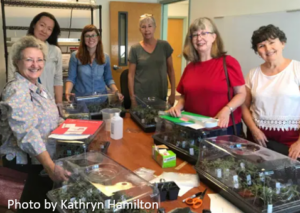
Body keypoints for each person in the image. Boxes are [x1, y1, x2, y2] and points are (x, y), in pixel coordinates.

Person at [0, 36, 69, 181]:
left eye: (39, 60)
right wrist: (50, 167)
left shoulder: (38, 87)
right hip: (25, 166)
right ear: (17, 62)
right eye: (29, 60)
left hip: (42, 160)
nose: (35, 65)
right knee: (33, 203)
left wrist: (71, 126)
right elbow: (27, 133)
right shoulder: (17, 89)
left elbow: (52, 117)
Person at [168, 17, 246, 135]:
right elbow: (185, 96)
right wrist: (178, 107)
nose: (199, 38)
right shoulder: (189, 68)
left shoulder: (228, 62)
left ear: (214, 37)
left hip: (222, 129)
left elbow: (241, 93)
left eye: (204, 33)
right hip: (193, 127)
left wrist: (227, 109)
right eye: (195, 35)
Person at [241, 24, 300, 160]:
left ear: (282, 43)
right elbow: (244, 106)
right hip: (258, 138)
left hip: (292, 140)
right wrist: (254, 130)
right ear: (257, 51)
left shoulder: (297, 70)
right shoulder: (252, 74)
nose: (268, 49)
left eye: (272, 42)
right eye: (261, 46)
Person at [7, 12, 63, 105]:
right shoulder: (18, 47)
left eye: (49, 29)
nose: (44, 31)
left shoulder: (55, 51)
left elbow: (58, 80)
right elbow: (11, 78)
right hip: (24, 102)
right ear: (34, 25)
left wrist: (59, 103)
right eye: (42, 25)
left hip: (48, 102)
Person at [128, 14, 176, 106]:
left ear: (154, 27)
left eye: (150, 26)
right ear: (140, 29)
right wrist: (132, 98)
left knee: (159, 119)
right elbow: (131, 75)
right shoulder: (135, 49)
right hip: (140, 96)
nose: (147, 30)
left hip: (160, 95)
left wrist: (173, 93)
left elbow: (171, 71)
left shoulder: (164, 46)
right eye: (143, 27)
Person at [65, 24, 123, 100]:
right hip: (81, 100)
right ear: (83, 38)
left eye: (93, 35)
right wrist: (67, 92)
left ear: (98, 37)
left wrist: (116, 91)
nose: (90, 38)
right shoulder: (75, 56)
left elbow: (108, 79)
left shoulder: (105, 57)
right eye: (87, 36)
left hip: (100, 99)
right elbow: (71, 79)